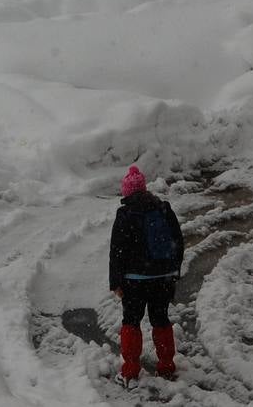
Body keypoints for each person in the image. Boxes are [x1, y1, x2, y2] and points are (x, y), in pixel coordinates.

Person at [109, 165, 185, 387]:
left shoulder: (125, 215)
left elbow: (117, 251)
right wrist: (174, 271)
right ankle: (167, 367)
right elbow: (178, 241)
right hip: (163, 279)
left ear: (126, 192)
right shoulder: (163, 209)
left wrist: (116, 282)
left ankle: (130, 370)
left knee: (131, 322)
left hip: (134, 282)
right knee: (161, 320)